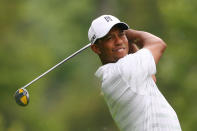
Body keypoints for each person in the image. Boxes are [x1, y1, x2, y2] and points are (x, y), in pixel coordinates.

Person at [88, 15, 182, 131]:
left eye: (121, 34)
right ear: (96, 48)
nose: (118, 41)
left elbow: (151, 78)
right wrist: (129, 34)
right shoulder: (122, 71)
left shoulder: (115, 73)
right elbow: (158, 44)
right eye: (109, 38)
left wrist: (127, 42)